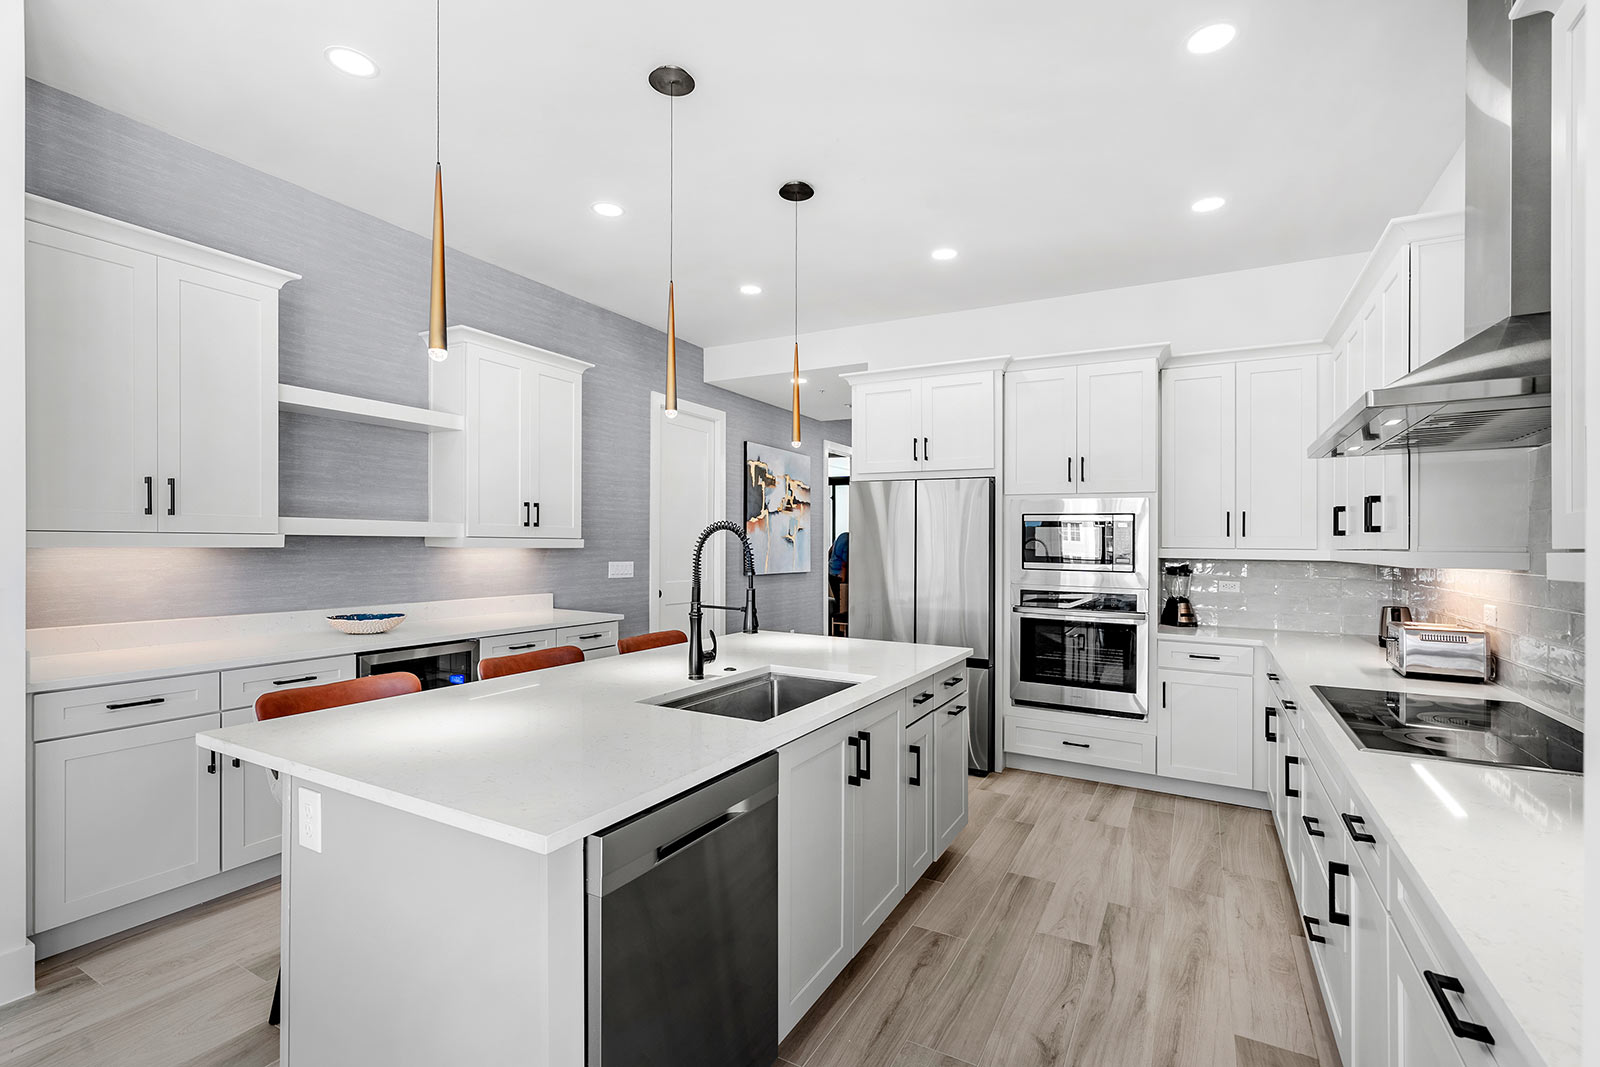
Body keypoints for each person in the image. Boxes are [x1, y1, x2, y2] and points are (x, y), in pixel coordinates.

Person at [828, 531, 849, 614]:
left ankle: (837, 624)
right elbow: (844, 564)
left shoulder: (843, 535)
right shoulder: (848, 540)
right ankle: (840, 625)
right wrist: (843, 583)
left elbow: (831, 550)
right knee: (842, 604)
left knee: (839, 602)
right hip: (838, 574)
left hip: (831, 572)